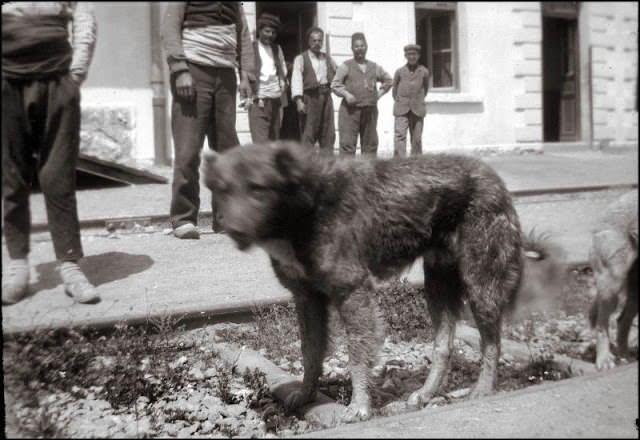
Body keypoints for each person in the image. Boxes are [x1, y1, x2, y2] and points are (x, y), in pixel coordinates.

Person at [2, 2, 99, 305]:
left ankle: (70, 266)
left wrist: (75, 75)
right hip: (7, 81)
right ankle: (18, 266)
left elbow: (84, 17)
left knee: (58, 175)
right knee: (10, 175)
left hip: (57, 81)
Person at [162, 1, 254, 238]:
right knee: (188, 149)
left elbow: (243, 34)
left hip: (225, 75)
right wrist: (180, 68)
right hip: (193, 71)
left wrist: (246, 75)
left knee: (227, 151)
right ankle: (183, 218)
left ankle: (226, 218)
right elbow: (170, 27)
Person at [331, 32, 392, 157]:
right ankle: (347, 175)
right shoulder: (345, 66)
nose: (360, 49)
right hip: (350, 112)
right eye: (356, 46)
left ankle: (368, 174)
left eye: (362, 46)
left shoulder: (374, 67)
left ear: (366, 47)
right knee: (348, 145)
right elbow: (335, 85)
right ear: (352, 48)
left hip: (370, 111)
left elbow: (389, 80)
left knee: (370, 146)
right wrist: (346, 94)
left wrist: (378, 94)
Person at [290, 26, 337, 155]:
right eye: (314, 40)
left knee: (328, 132)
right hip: (310, 98)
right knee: (308, 132)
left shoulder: (327, 58)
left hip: (326, 97)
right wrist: (299, 101)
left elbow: (338, 75)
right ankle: (307, 166)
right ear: (308, 42)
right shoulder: (300, 59)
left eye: (320, 41)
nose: (317, 43)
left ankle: (327, 165)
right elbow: (296, 79)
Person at [248, 12, 288, 143]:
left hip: (276, 101)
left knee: (274, 142)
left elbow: (282, 68)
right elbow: (242, 71)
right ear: (259, 30)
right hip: (258, 101)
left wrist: (282, 82)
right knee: (260, 144)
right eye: (267, 31)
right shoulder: (251, 47)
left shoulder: (277, 49)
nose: (270, 35)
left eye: (273, 33)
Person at [392, 44, 430, 157]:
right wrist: (401, 100)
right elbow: (394, 90)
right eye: (409, 54)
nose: (412, 57)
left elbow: (425, 89)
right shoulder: (399, 72)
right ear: (405, 56)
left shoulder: (424, 72)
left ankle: (416, 165)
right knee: (400, 136)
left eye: (414, 54)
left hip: (418, 108)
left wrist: (417, 100)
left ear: (418, 56)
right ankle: (399, 164)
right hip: (401, 108)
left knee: (417, 138)